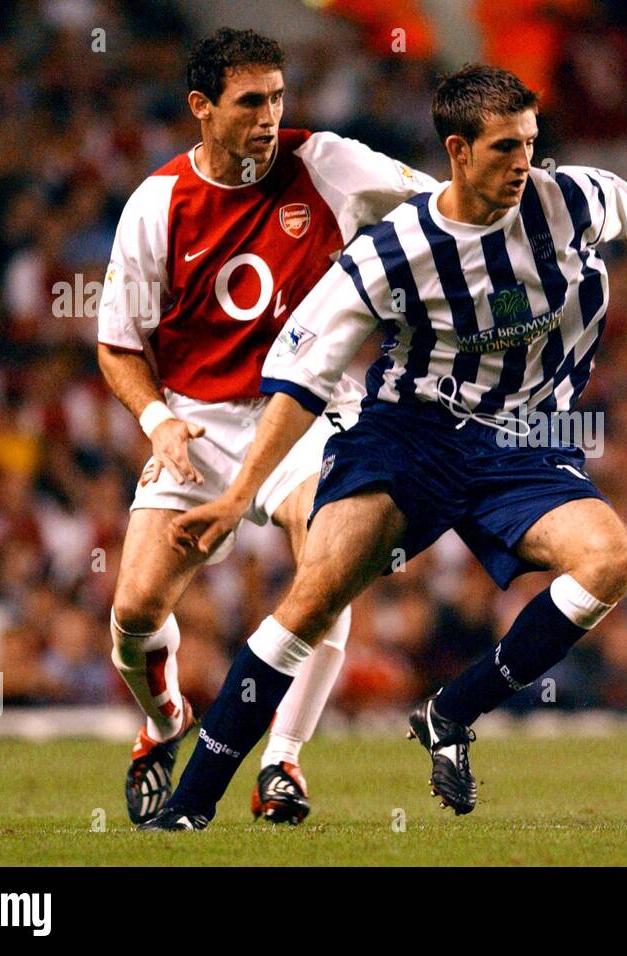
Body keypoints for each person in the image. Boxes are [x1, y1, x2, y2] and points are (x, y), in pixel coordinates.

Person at [142, 63, 627, 829]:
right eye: (504, 148)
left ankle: (450, 714)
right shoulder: (393, 252)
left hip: (523, 440)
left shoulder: (569, 199)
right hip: (411, 436)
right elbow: (301, 380)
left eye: (530, 144)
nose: (523, 164)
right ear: (458, 150)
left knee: (613, 562)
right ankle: (192, 801)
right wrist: (239, 495)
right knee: (315, 593)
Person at [97, 27, 436, 826]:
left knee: (330, 559)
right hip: (195, 425)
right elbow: (117, 345)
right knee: (136, 610)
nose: (268, 117)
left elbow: (439, 206)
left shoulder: (326, 164)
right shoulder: (158, 204)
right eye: (250, 102)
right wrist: (157, 422)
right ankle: (165, 722)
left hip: (308, 416)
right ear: (201, 108)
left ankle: (281, 759)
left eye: (277, 98)